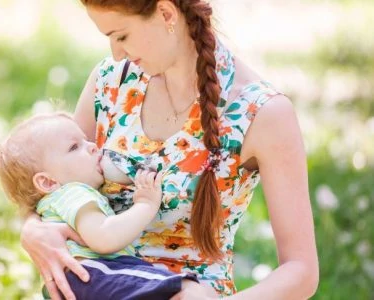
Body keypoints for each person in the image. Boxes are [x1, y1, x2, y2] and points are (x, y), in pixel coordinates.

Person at [20, 1, 319, 299]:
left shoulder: (261, 111)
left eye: (121, 36)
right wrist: (32, 229)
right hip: (103, 286)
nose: (116, 53)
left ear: (166, 13)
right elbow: (52, 182)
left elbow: (301, 271)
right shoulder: (111, 81)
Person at [0, 112, 203, 299]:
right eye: (74, 147)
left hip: (85, 281)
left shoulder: (52, 205)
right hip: (93, 275)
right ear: (48, 182)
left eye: (85, 140)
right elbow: (104, 237)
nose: (94, 146)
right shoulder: (73, 193)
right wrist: (145, 204)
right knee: (191, 292)